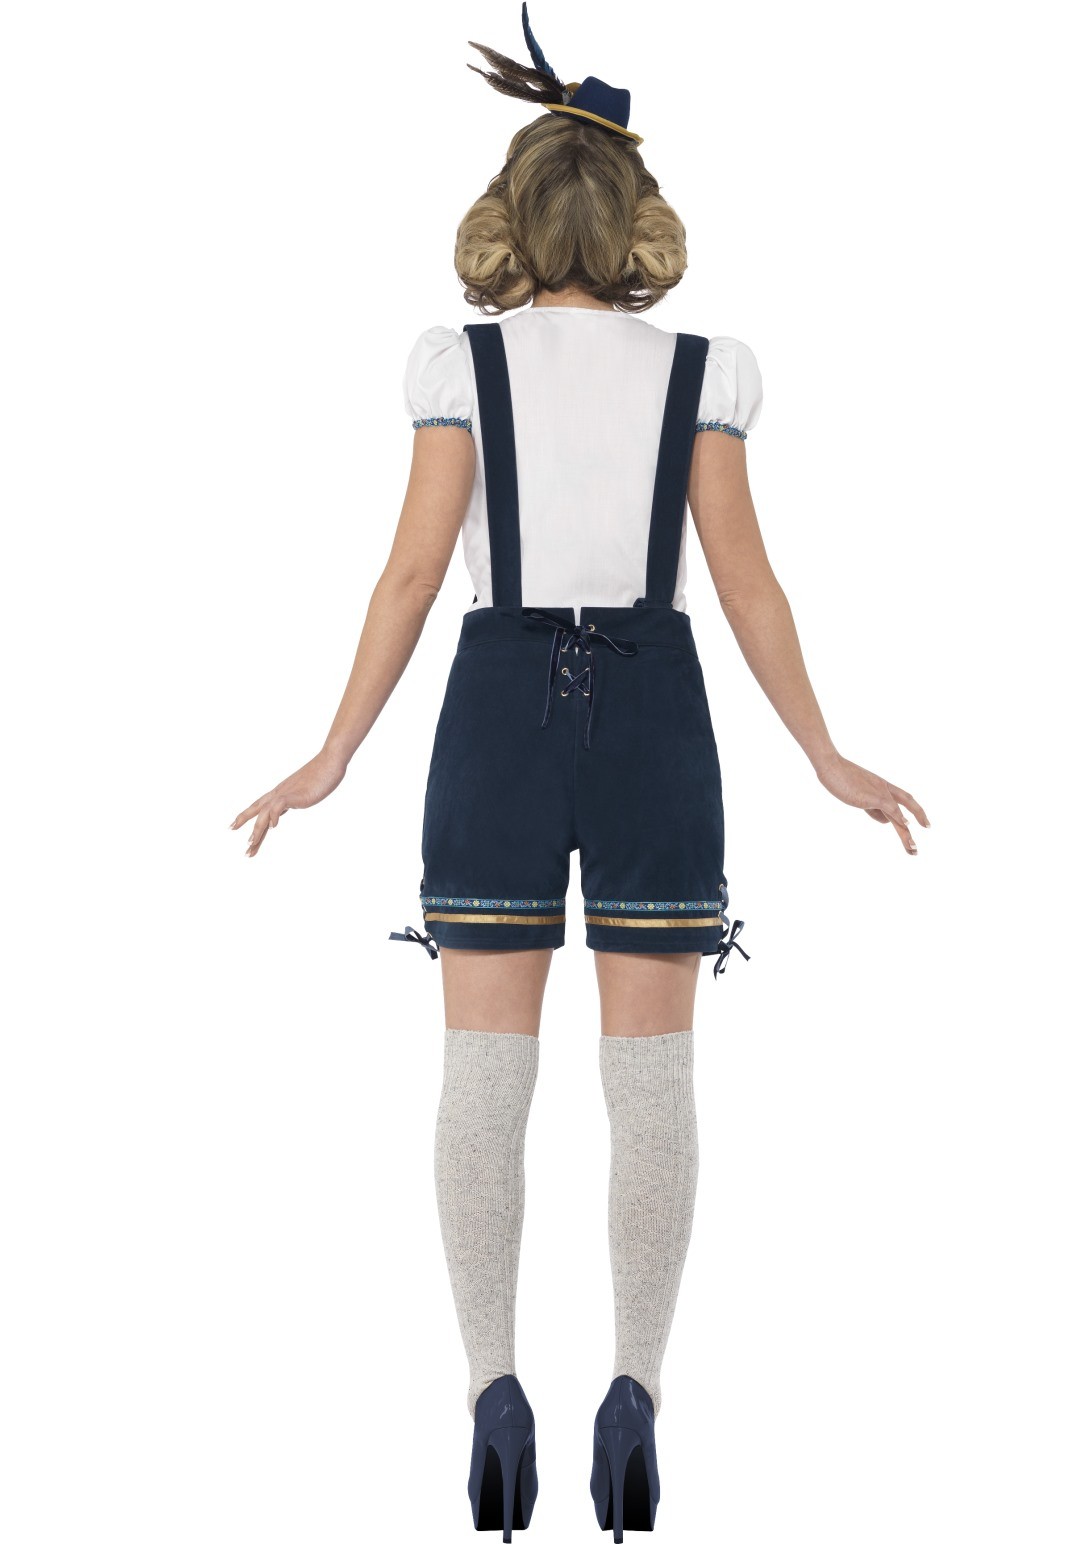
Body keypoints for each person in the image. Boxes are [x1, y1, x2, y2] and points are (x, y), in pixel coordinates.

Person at [231, 7, 930, 1539]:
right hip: (657, 711)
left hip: (494, 710)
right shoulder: (703, 372)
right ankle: (633, 1396)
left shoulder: (458, 366)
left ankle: (493, 1397)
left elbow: (411, 576)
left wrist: (333, 753)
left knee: (483, 1080)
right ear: (634, 220)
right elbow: (746, 586)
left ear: (511, 216)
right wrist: (822, 753)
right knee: (650, 1084)